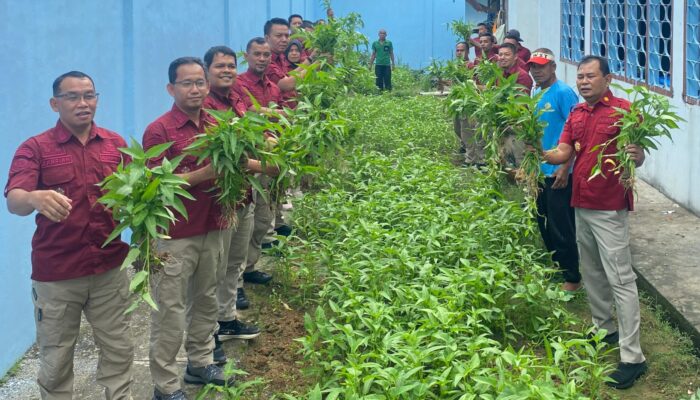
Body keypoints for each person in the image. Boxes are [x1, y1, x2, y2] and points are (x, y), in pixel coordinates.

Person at [5, 71, 134, 399]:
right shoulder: (35, 148)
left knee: (118, 348)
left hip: (109, 268)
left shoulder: (116, 144)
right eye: (72, 96)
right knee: (56, 357)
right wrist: (34, 197)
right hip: (58, 274)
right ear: (54, 103)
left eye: (89, 95)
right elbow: (14, 200)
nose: (83, 103)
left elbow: (137, 193)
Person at [543, 55, 648, 390]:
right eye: (580, 77)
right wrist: (541, 153)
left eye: (590, 76)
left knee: (620, 279)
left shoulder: (624, 111)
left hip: (608, 206)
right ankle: (604, 328)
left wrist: (638, 155)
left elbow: (639, 154)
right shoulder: (575, 114)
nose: (584, 81)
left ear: (607, 78)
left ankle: (633, 357)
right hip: (581, 202)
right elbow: (563, 152)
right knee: (591, 271)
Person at [143, 57, 232, 400]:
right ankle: (165, 384)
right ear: (171, 88)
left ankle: (200, 362)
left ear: (207, 86)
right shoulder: (159, 130)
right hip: (175, 234)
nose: (194, 89)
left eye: (199, 83)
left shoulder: (218, 125)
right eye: (186, 83)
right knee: (171, 309)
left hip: (214, 224)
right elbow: (154, 186)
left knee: (207, 297)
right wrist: (201, 175)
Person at [202, 46, 262, 363]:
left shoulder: (235, 99)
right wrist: (263, 166)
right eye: (220, 66)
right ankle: (209, 331)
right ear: (206, 71)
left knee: (234, 264)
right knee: (216, 268)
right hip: (220, 202)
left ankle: (227, 320)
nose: (227, 70)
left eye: (231, 65)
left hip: (242, 196)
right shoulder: (206, 106)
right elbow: (228, 158)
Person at [528, 48, 581, 292]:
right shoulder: (535, 92)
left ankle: (572, 276)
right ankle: (557, 265)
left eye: (541, 66)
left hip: (559, 172)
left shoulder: (564, 93)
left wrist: (564, 166)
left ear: (553, 67)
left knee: (562, 225)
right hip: (539, 170)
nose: (536, 71)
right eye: (533, 67)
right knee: (543, 220)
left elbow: (575, 133)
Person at [234, 38, 283, 289]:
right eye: (257, 54)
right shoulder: (239, 85)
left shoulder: (273, 88)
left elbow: (281, 120)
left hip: (269, 161)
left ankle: (251, 267)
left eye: (266, 54)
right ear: (247, 55)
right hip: (249, 161)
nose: (262, 58)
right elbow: (247, 114)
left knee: (263, 217)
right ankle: (238, 280)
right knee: (246, 221)